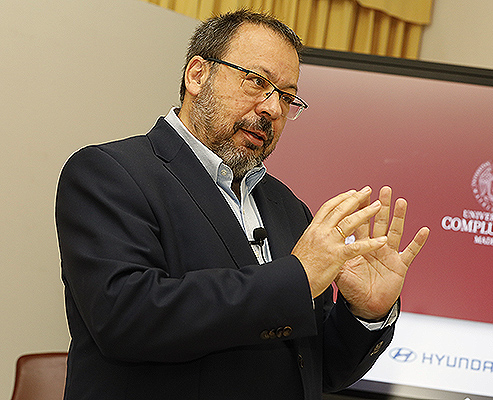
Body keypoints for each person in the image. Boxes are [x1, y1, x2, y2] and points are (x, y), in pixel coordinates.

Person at [55, 9, 429, 400]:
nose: (273, 109)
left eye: (287, 97)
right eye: (256, 82)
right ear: (197, 75)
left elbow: (319, 369)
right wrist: (296, 278)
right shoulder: (109, 173)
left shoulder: (287, 207)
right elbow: (127, 318)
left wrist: (366, 313)